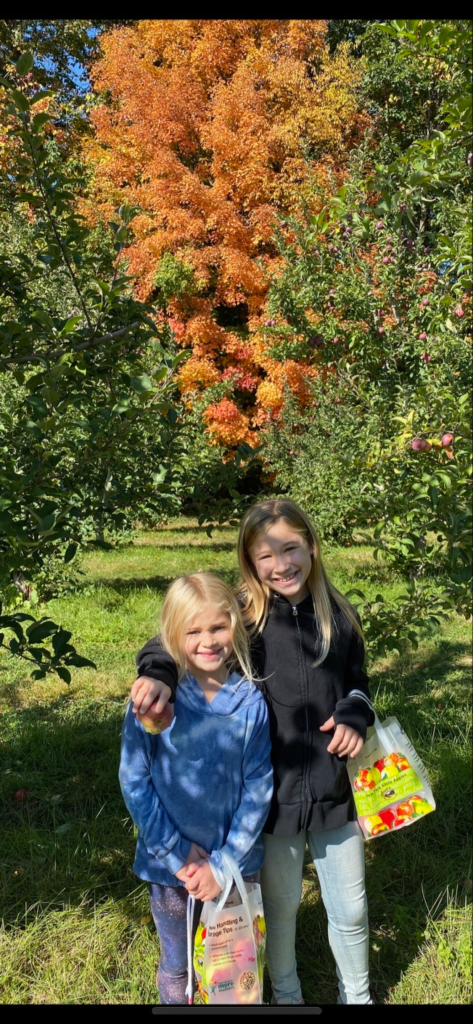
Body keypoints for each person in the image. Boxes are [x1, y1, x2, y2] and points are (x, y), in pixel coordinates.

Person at [131, 498, 376, 1005]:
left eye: (291, 549)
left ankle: (358, 996)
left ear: (312, 547)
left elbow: (357, 680)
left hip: (334, 789)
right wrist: (156, 674)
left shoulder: (339, 614)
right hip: (274, 800)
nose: (281, 564)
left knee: (351, 909)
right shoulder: (244, 616)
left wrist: (357, 709)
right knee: (281, 909)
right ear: (249, 561)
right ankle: (287, 995)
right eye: (266, 555)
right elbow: (175, 637)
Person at [119, 571, 273, 1005]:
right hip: (171, 871)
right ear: (172, 634)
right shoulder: (153, 702)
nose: (208, 641)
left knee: (234, 963)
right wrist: (176, 852)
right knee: (178, 965)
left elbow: (258, 787)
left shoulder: (250, 703)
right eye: (193, 631)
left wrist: (222, 864)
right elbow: (134, 778)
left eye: (218, 627)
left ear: (235, 627)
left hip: (234, 867)